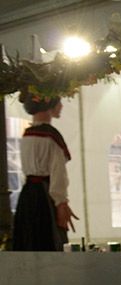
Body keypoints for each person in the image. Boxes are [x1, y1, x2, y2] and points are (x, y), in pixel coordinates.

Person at [12, 93, 77, 251]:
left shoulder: (26, 135)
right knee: (48, 242)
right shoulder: (51, 135)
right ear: (48, 105)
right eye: (58, 102)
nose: (61, 106)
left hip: (27, 195)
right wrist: (61, 203)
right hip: (45, 196)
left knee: (29, 240)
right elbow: (58, 172)